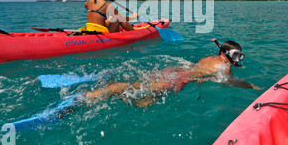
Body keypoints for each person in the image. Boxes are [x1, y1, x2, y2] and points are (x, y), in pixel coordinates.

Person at [79, 40, 260, 108]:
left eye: (240, 55)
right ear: (224, 53)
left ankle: (123, 96)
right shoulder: (224, 66)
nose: (238, 59)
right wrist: (250, 85)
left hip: (175, 70)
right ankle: (96, 94)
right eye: (235, 55)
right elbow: (228, 82)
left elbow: (197, 70)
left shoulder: (208, 58)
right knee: (133, 87)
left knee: (146, 99)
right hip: (179, 78)